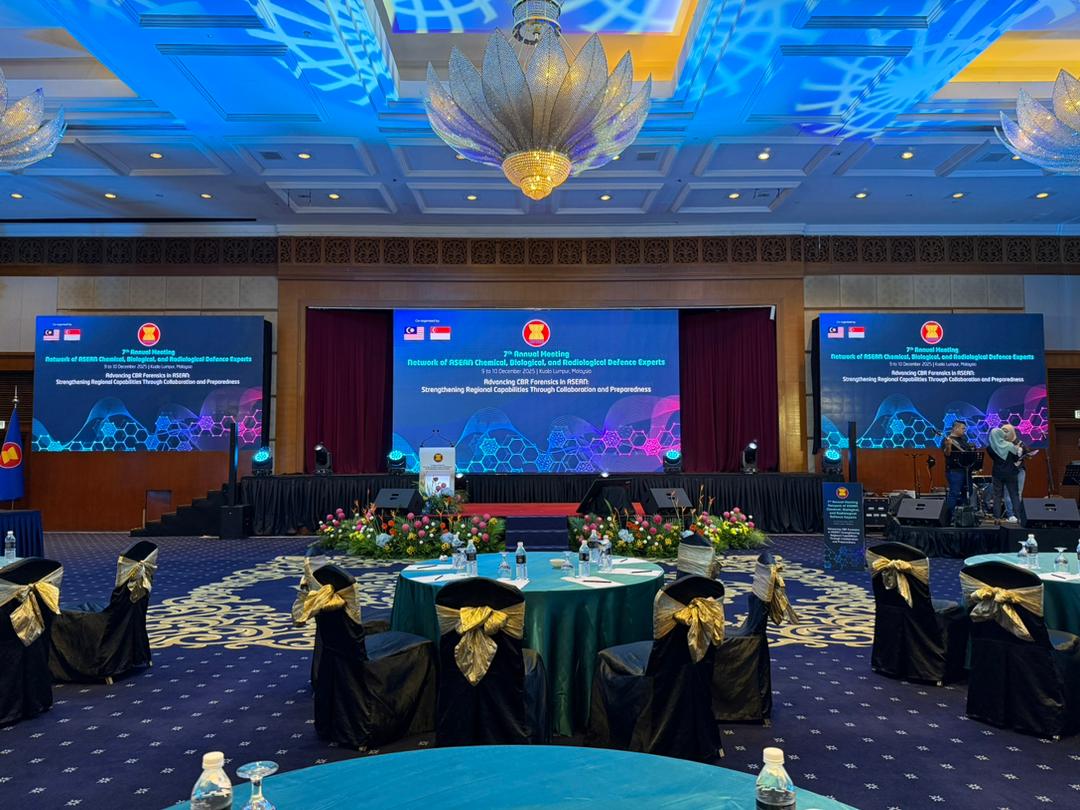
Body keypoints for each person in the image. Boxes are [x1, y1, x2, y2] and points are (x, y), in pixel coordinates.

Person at [987, 424, 1025, 525]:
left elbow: (994, 458)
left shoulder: (990, 448)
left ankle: (997, 518)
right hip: (1011, 473)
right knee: (1014, 495)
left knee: (997, 496)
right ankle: (1019, 517)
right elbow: (1016, 459)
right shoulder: (1010, 445)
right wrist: (1018, 451)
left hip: (997, 473)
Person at [941, 420, 973, 523]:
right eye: (963, 428)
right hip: (954, 471)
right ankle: (949, 517)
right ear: (956, 428)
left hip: (965, 470)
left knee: (968, 491)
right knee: (954, 493)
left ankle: (963, 516)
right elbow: (947, 454)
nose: (964, 430)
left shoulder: (963, 439)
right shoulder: (947, 439)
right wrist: (948, 445)